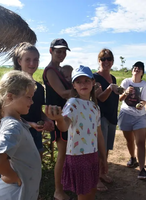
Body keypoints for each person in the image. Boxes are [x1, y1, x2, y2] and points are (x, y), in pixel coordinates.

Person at [45, 65, 107, 200]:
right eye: (78, 81)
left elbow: (99, 134)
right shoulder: (72, 103)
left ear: (93, 83)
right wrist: (59, 119)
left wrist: (103, 157)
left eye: (86, 80)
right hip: (78, 156)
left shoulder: (95, 107)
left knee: (91, 191)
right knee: (84, 194)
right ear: (74, 85)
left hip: (92, 155)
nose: (83, 84)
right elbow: (64, 126)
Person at [0, 70, 41, 200]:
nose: (32, 102)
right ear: (10, 96)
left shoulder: (17, 123)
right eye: (28, 97)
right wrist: (12, 176)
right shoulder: (13, 127)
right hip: (14, 195)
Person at [12, 42, 54, 159]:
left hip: (36, 132)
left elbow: (37, 109)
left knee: (36, 161)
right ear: (19, 61)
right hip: (17, 132)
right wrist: (29, 124)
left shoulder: (39, 88)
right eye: (28, 59)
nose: (32, 63)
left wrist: (46, 118)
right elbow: (7, 114)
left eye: (36, 60)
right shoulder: (13, 86)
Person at [43, 38, 72, 200]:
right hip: (57, 116)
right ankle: (58, 191)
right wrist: (84, 91)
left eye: (64, 51)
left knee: (67, 152)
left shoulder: (60, 70)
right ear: (51, 51)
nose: (61, 54)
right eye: (58, 51)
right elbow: (62, 93)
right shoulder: (50, 71)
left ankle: (64, 184)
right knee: (62, 153)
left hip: (65, 115)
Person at [118, 61, 146, 179]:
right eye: (135, 68)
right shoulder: (126, 82)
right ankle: (133, 158)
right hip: (125, 114)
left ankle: (142, 170)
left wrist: (141, 104)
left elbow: (144, 101)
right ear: (132, 70)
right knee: (129, 140)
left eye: (140, 69)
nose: (137, 69)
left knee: (141, 142)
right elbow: (120, 98)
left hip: (139, 116)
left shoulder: (145, 85)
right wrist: (126, 92)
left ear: (142, 73)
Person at [93, 48, 119, 191]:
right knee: (99, 149)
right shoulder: (95, 78)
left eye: (109, 59)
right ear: (99, 61)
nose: (106, 61)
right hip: (100, 117)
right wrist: (110, 88)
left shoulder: (113, 78)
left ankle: (103, 173)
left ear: (112, 61)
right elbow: (100, 97)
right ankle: (96, 179)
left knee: (107, 147)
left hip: (112, 116)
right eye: (103, 59)